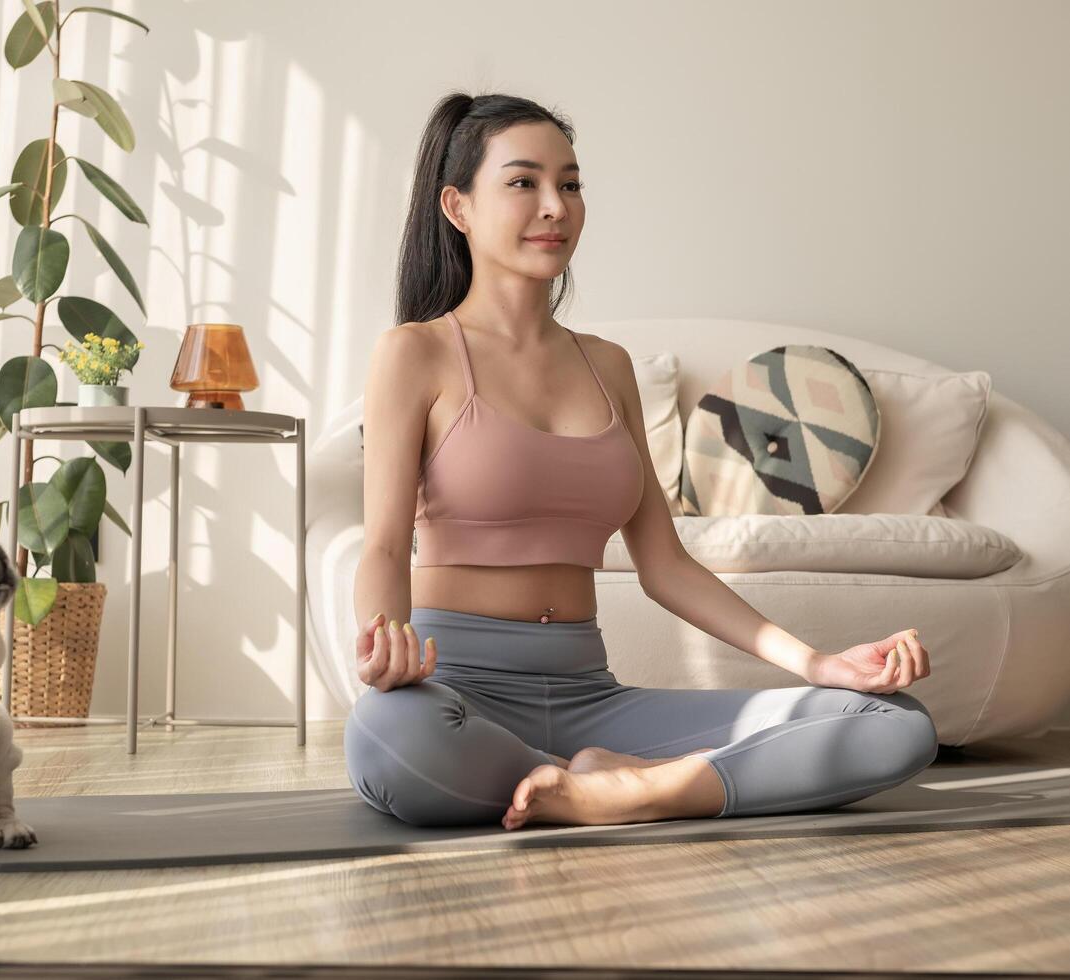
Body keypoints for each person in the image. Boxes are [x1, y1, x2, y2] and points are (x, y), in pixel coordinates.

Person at [344, 91, 939, 830]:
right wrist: (385, 645)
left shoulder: (606, 366)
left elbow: (665, 566)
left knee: (893, 724)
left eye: (569, 183)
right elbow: (381, 543)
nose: (555, 206)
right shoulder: (414, 353)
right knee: (387, 739)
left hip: (592, 695)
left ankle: (632, 790)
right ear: (457, 206)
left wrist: (817, 665)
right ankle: (623, 784)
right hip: (457, 693)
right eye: (523, 182)